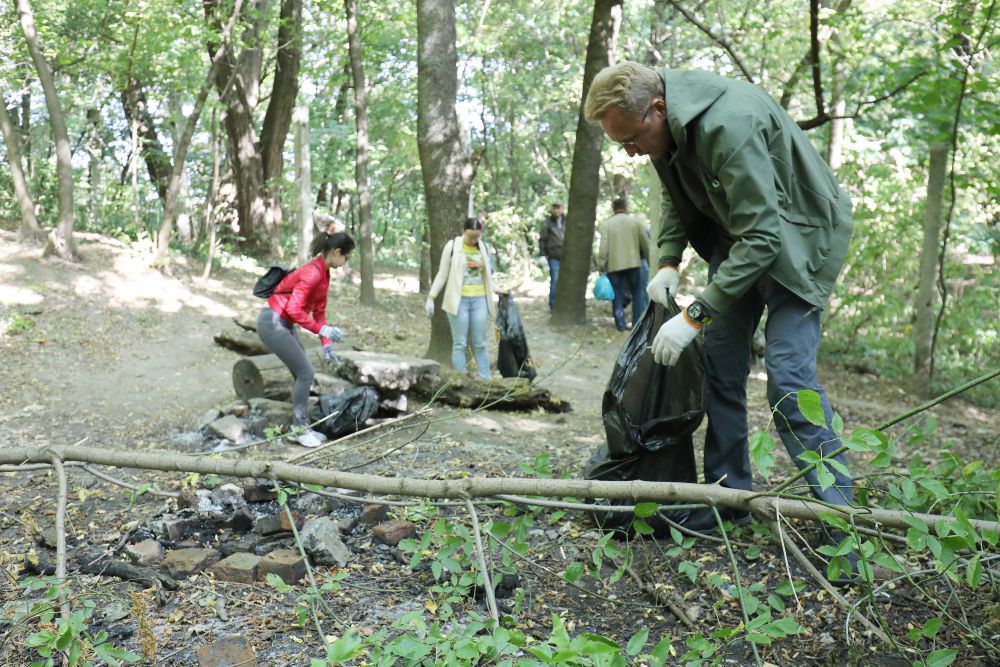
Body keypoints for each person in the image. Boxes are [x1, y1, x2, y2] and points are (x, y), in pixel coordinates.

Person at [584, 63, 855, 534]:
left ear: (658, 109)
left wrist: (695, 314)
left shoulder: (730, 124)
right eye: (620, 144)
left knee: (788, 381)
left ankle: (844, 524)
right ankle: (728, 504)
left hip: (799, 243)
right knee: (720, 369)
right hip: (740, 242)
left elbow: (766, 237)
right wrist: (668, 260)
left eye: (630, 139)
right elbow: (675, 194)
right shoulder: (663, 131)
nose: (629, 152)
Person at [257, 232, 355, 448]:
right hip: (272, 322)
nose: (345, 262)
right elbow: (294, 309)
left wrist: (327, 345)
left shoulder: (324, 274)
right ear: (338, 253)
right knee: (306, 373)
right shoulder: (312, 273)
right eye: (346, 257)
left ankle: (300, 428)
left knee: (301, 374)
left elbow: (319, 313)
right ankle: (300, 429)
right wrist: (321, 329)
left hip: (284, 323)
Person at [425, 218, 497, 380]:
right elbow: (442, 274)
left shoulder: (484, 247)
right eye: (469, 236)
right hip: (459, 300)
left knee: (480, 342)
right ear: (462, 231)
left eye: (476, 237)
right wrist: (431, 297)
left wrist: (497, 289)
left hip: (479, 299)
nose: (472, 240)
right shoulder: (452, 247)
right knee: (460, 343)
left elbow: (489, 275)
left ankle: (486, 379)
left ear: (481, 234)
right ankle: (462, 379)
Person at [598, 198, 650, 330]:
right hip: (633, 264)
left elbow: (603, 248)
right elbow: (645, 244)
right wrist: (650, 261)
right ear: (626, 207)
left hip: (614, 266)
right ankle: (636, 324)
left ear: (613, 208)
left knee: (617, 294)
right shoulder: (635, 223)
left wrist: (601, 265)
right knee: (637, 293)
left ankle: (620, 325)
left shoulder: (607, 224)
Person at [538, 202, 565, 311]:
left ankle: (563, 303)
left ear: (562, 209)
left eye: (558, 208)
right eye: (554, 208)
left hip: (567, 256)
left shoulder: (567, 221)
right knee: (555, 279)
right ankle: (553, 305)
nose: (557, 210)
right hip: (554, 255)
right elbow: (542, 239)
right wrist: (542, 255)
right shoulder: (547, 223)